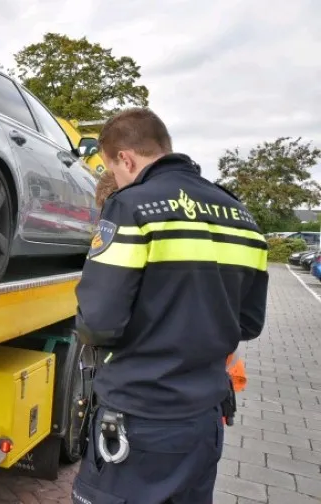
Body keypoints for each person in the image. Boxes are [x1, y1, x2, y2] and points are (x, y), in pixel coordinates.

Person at [72, 108, 268, 504]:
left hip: (140, 419)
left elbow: (99, 323)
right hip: (204, 421)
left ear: (125, 159)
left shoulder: (131, 207)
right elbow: (248, 323)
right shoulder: (242, 218)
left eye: (115, 168)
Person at [92, 170, 250, 398]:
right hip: (212, 387)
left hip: (159, 398)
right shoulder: (205, 237)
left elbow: (99, 323)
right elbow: (249, 323)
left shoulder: (138, 248)